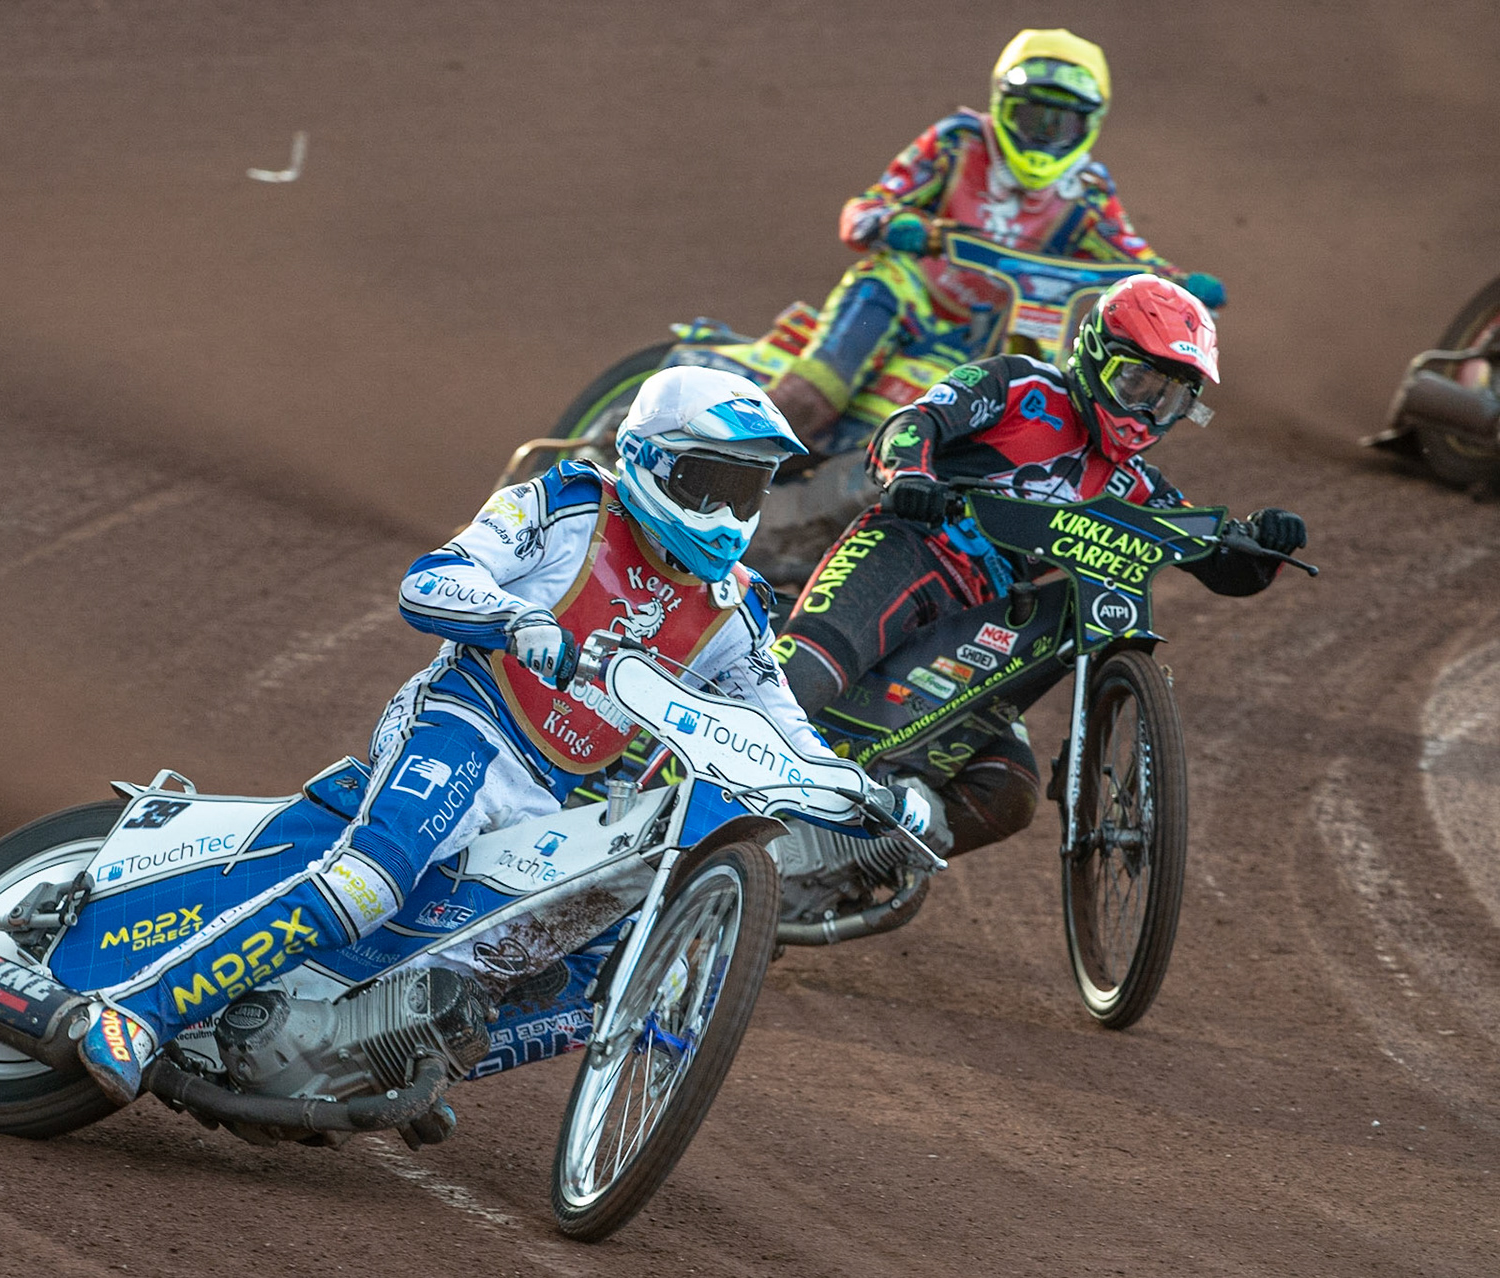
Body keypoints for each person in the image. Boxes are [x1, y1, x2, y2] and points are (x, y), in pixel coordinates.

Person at [71, 366, 913, 1104]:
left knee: (576, 966)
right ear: (651, 463)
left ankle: (383, 1052)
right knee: (372, 880)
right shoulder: (566, 505)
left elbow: (782, 725)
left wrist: (857, 792)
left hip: (556, 790)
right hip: (466, 722)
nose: (728, 512)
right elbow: (432, 577)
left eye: (747, 490)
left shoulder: (737, 610)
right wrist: (514, 618)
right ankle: (137, 1012)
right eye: (708, 482)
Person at [773, 273, 1306, 857]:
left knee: (1008, 792)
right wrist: (910, 475)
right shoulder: (1020, 385)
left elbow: (1215, 562)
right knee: (794, 684)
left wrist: (1263, 547)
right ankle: (671, 802)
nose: (1146, 413)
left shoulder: (1139, 488)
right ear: (1096, 355)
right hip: (907, 551)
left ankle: (842, 866)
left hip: (992, 618)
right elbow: (914, 423)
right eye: (1137, 384)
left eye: (1170, 400)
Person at [765, 27, 1228, 451]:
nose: (1044, 136)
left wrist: (1177, 284)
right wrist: (894, 225)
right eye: (1032, 117)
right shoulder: (959, 141)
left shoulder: (1087, 188)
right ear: (1002, 104)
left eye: (1061, 123)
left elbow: (1128, 251)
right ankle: (759, 439)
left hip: (993, 329)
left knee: (1030, 394)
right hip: (914, 297)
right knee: (823, 382)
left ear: (1090, 123)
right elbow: (867, 207)